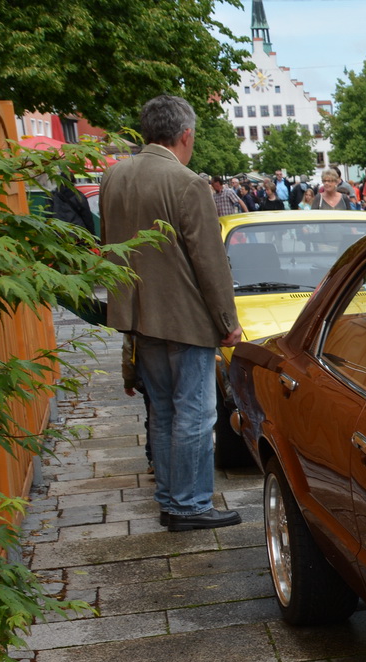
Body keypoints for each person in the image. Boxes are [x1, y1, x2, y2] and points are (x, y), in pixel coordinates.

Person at [100, 93, 241, 531]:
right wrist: (227, 321)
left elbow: (109, 245)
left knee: (162, 411)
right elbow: (209, 260)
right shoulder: (186, 182)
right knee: (195, 414)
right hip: (186, 318)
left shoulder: (114, 177)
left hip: (139, 314)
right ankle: (189, 504)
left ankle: (170, 496)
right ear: (186, 134)